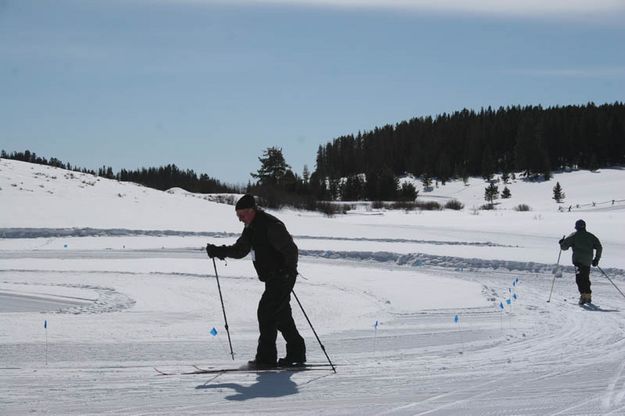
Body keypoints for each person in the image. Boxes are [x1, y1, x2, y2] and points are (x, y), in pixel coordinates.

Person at [205, 194, 306, 368]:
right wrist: (219, 251)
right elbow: (240, 250)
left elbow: (291, 250)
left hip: (283, 277)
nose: (240, 219)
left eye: (242, 215)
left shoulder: (271, 225)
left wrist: (288, 270)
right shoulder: (251, 228)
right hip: (272, 278)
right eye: (238, 216)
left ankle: (266, 358)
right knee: (281, 315)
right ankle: (296, 353)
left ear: (252, 211)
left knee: (266, 312)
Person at [559, 219, 602, 305]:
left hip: (578, 261)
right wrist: (596, 259)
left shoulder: (573, 235)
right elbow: (599, 247)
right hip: (587, 261)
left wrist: (561, 243)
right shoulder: (591, 236)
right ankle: (588, 296)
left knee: (579, 279)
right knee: (585, 278)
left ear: (576, 227)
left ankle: (583, 297)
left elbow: (564, 247)